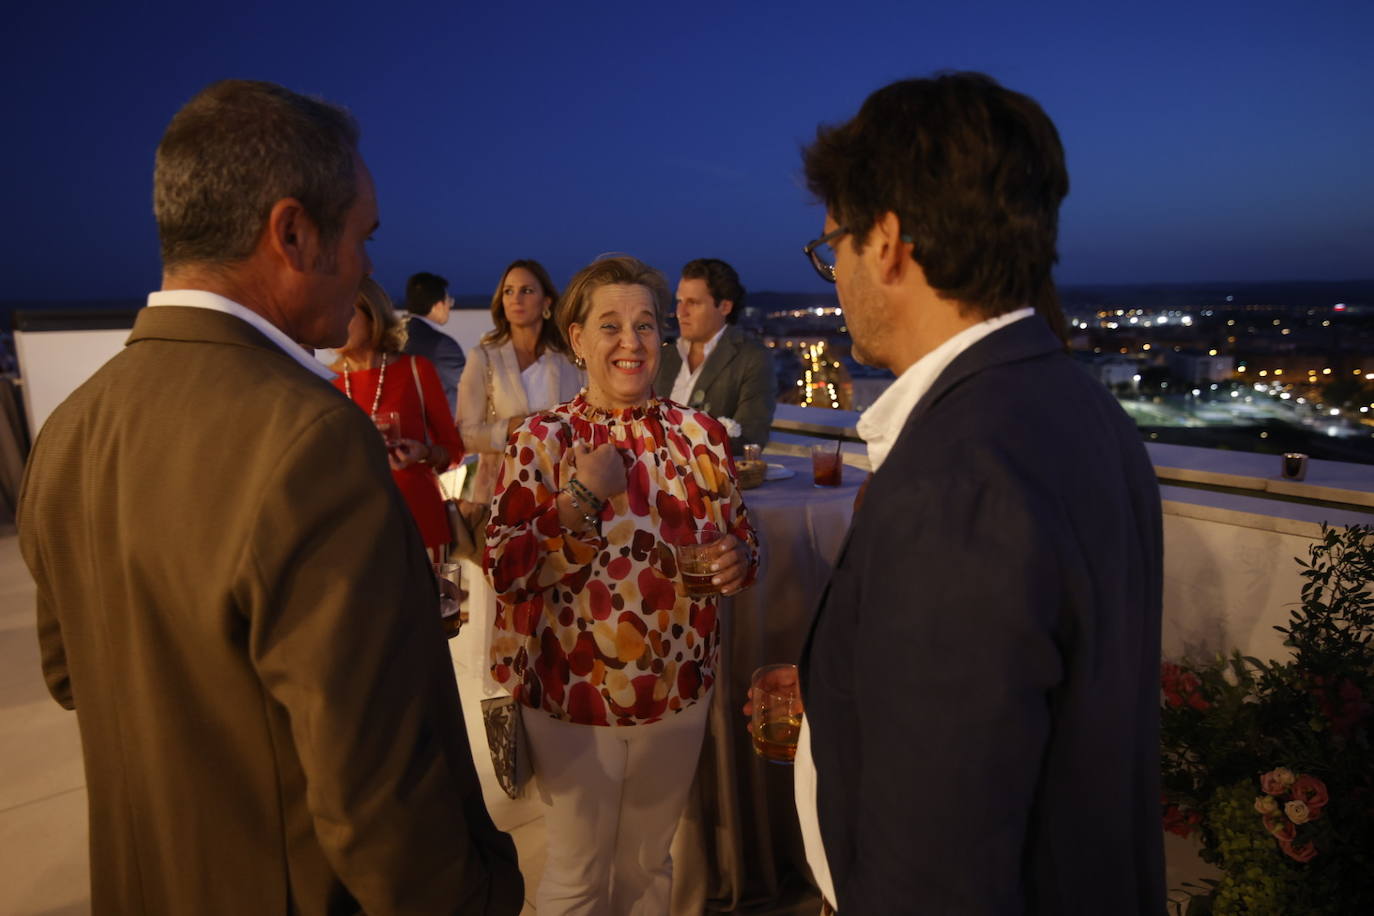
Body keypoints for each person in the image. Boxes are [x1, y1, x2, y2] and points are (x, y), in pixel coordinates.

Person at [17, 79, 522, 914]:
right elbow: (376, 793)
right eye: (361, 237)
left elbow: (74, 677)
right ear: (292, 233)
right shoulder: (311, 439)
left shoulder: (70, 427)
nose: (367, 268)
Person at [784, 72, 1165, 912]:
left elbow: (938, 870)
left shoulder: (956, 482)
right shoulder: (1084, 408)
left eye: (833, 245)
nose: (835, 275)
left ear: (887, 242)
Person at [485, 254, 758, 915]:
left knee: (649, 866)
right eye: (610, 325)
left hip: (679, 687)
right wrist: (582, 496)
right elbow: (507, 568)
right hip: (572, 694)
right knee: (577, 877)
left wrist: (740, 558)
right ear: (577, 339)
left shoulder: (700, 435)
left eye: (645, 324)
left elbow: (742, 538)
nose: (631, 342)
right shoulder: (542, 440)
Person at [332, 277, 465, 562]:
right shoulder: (326, 381)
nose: (334, 317)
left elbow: (453, 451)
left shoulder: (416, 370)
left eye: (346, 308)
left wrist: (424, 452)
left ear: (373, 316)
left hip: (420, 521)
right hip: (356, 530)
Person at [456, 258, 583, 506]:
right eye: (509, 291)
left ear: (546, 302)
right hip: (502, 494)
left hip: (560, 493)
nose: (516, 299)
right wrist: (511, 428)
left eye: (527, 290)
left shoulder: (568, 359)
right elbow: (465, 437)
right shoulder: (484, 358)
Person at [653, 258, 776, 453]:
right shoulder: (665, 355)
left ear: (725, 307)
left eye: (693, 303)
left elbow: (750, 437)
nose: (680, 312)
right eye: (679, 301)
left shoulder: (752, 358)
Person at [404, 270, 466, 412]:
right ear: (438, 305)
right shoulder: (442, 346)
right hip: (436, 422)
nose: (449, 307)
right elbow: (469, 386)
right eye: (448, 301)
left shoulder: (394, 336)